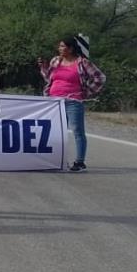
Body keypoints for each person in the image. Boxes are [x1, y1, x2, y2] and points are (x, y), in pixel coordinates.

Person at [39, 34, 105, 172]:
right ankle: (56, 159)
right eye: (59, 46)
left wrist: (87, 92)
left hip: (73, 100)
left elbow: (100, 77)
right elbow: (48, 78)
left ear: (70, 48)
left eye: (62, 46)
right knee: (56, 131)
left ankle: (80, 161)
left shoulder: (82, 63)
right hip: (54, 101)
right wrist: (44, 67)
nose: (60, 48)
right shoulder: (55, 61)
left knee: (77, 131)